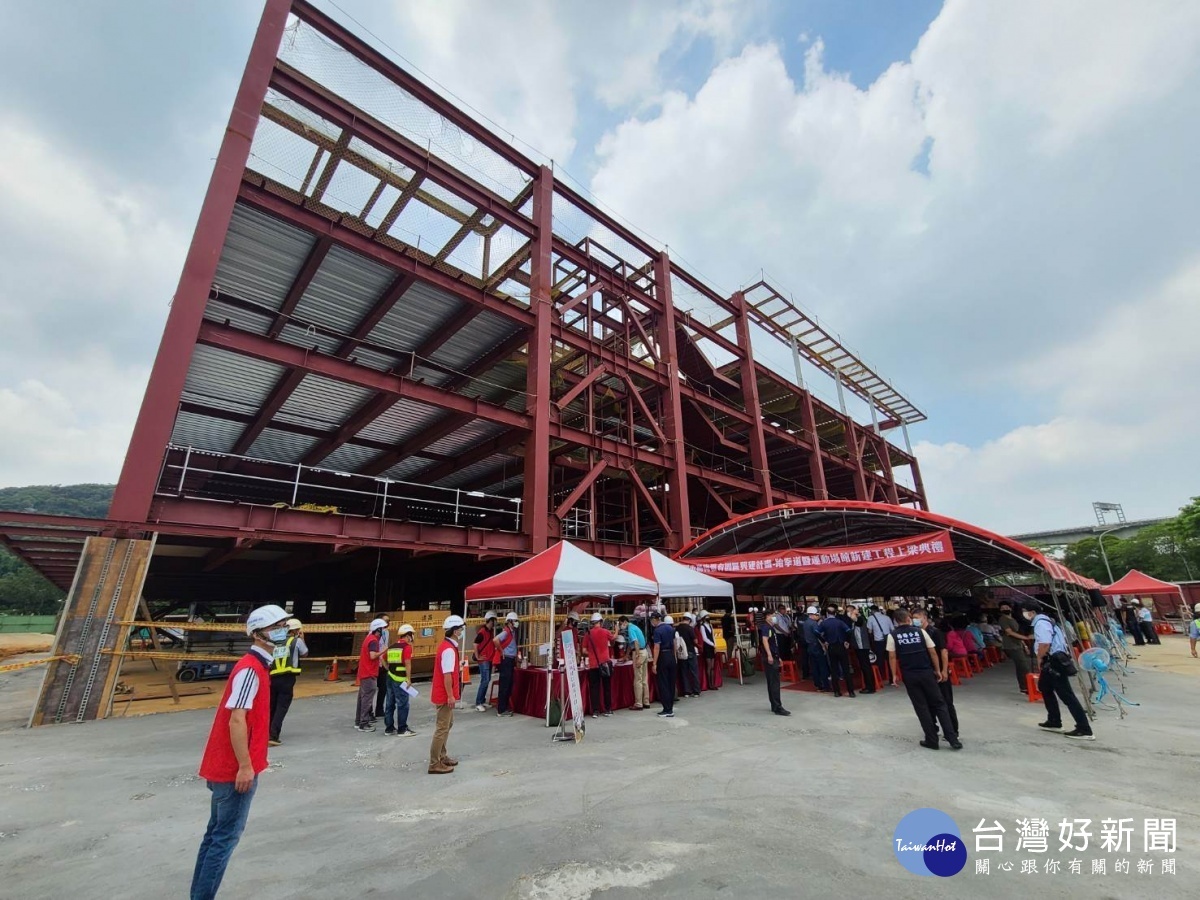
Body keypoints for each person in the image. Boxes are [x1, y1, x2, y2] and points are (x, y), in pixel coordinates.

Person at [191, 604, 290, 900]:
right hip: (233, 771)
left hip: (228, 767)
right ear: (259, 634)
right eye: (277, 626)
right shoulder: (250, 670)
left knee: (214, 836)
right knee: (223, 839)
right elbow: (237, 719)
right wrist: (245, 766)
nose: (284, 630)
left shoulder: (258, 666)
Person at [886, 609, 961, 751]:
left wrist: (894, 675)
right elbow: (933, 652)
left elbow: (892, 657)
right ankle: (952, 739)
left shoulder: (892, 636)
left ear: (895, 621)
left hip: (910, 675)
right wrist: (938, 670)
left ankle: (932, 740)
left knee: (921, 707)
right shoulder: (921, 632)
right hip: (926, 673)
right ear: (908, 618)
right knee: (940, 704)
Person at [1027, 603, 1094, 741]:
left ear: (1032, 612)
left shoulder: (1040, 623)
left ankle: (1084, 729)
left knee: (1066, 695)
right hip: (1055, 659)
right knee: (1044, 687)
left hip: (1053, 661)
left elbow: (1044, 643)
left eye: (1024, 611)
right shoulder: (1049, 621)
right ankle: (1054, 720)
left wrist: (1040, 658)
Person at [914, 608, 957, 741]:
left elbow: (943, 652)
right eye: (913, 617)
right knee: (928, 702)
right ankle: (934, 728)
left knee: (946, 701)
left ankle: (953, 731)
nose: (915, 620)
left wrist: (944, 670)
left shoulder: (935, 632)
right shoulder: (917, 633)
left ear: (925, 617)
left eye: (917, 617)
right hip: (927, 673)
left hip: (939, 671)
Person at [429, 615, 465, 774]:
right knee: (442, 728)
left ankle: (442, 756)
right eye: (461, 629)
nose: (462, 631)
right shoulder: (449, 649)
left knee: (447, 724)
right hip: (444, 694)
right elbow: (447, 675)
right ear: (455, 631)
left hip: (443, 692)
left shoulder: (447, 646)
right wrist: (450, 696)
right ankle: (434, 763)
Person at [268, 617, 307, 747]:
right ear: (296, 630)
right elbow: (305, 653)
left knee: (272, 706)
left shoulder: (275, 642)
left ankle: (265, 733)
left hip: (273, 677)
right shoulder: (296, 641)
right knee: (282, 707)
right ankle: (273, 735)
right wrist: (302, 638)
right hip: (287, 678)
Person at [383, 624, 417, 737]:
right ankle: (402, 729)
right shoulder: (406, 647)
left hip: (390, 677)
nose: (412, 637)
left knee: (389, 703)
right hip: (400, 680)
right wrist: (409, 679)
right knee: (403, 704)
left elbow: (383, 659)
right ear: (408, 635)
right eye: (411, 634)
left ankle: (389, 728)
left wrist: (388, 668)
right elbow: (408, 663)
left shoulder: (392, 646)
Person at [817, 606, 855, 697]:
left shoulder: (824, 623)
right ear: (835, 613)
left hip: (831, 647)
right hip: (841, 646)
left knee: (834, 670)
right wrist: (847, 641)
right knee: (846, 669)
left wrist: (824, 641)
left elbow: (816, 632)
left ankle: (837, 692)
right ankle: (851, 692)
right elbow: (849, 631)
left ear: (827, 613)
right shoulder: (840, 622)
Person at [355, 619, 386, 732]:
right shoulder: (373, 640)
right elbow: (373, 656)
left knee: (362, 698)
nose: (383, 631)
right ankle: (364, 723)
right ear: (378, 629)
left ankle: (359, 721)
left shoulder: (368, 638)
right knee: (367, 698)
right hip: (369, 673)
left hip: (364, 672)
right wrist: (384, 651)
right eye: (382, 628)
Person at [759, 610, 791, 716]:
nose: (774, 617)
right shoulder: (766, 627)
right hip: (770, 658)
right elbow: (765, 640)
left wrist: (778, 657)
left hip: (774, 656)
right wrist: (769, 655)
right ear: (767, 617)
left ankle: (774, 705)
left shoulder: (771, 627)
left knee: (772, 682)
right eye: (772, 615)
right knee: (774, 683)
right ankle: (778, 706)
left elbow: (774, 643)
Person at [997, 603, 1033, 693]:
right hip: (1011, 645)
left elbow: (1017, 632)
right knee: (1024, 667)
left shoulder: (1013, 619)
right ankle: (1026, 687)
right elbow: (1009, 632)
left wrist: (1024, 645)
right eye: (1002, 608)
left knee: (1021, 667)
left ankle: (1024, 687)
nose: (1005, 609)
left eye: (1006, 607)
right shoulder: (1003, 619)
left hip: (1018, 644)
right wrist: (1025, 638)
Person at [583, 613, 614, 718]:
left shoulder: (588, 634)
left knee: (594, 688)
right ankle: (608, 709)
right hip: (605, 663)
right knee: (607, 687)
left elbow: (583, 650)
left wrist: (591, 653)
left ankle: (595, 711)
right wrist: (617, 629)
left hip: (593, 664)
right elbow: (613, 639)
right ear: (601, 622)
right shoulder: (606, 632)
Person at [650, 611, 677, 718]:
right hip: (671, 655)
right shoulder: (670, 629)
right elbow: (675, 643)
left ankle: (667, 709)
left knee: (663, 683)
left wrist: (654, 663)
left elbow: (657, 647)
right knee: (671, 683)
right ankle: (670, 707)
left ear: (655, 619)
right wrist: (674, 656)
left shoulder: (657, 631)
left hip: (663, 656)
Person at [619, 615, 649, 709]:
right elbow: (630, 644)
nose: (620, 626)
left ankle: (638, 703)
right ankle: (646, 701)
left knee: (638, 680)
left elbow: (635, 643)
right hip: (644, 651)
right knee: (644, 679)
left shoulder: (631, 629)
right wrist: (626, 656)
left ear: (624, 622)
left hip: (639, 652)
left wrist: (637, 657)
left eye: (620, 624)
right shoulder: (634, 627)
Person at [472, 611, 499, 712]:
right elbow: (475, 643)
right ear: (491, 620)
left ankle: (482, 701)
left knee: (486, 680)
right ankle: (478, 702)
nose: (495, 622)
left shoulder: (490, 631)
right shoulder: (482, 632)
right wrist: (478, 656)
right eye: (494, 620)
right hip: (484, 660)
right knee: (485, 680)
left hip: (489, 659)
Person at [495, 611, 519, 717]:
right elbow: (495, 640)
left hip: (510, 660)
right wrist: (501, 651)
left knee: (508, 684)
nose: (516, 623)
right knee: (504, 685)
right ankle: (501, 709)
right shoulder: (506, 632)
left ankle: (504, 707)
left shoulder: (512, 632)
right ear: (509, 622)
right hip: (506, 660)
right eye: (515, 621)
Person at [801, 606, 829, 691]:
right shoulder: (814, 623)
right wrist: (824, 644)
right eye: (817, 614)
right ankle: (825, 685)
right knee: (822, 666)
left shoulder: (805, 623)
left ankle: (818, 684)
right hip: (816, 646)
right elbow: (818, 635)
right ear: (813, 614)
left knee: (814, 666)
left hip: (809, 646)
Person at [867, 605, 895, 686]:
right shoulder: (887, 617)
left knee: (879, 660)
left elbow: (869, 631)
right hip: (888, 640)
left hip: (878, 642)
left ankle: (880, 679)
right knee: (890, 659)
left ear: (872, 611)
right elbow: (892, 629)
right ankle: (891, 679)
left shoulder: (871, 618)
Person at [851, 610, 876, 694]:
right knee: (865, 666)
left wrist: (854, 612)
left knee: (865, 667)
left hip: (862, 646)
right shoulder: (859, 620)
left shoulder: (860, 619)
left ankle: (870, 687)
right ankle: (869, 686)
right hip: (860, 646)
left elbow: (853, 617)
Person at [676, 612, 700, 697]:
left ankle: (687, 691)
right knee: (694, 671)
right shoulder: (690, 628)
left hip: (681, 652)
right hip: (690, 651)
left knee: (684, 672)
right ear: (689, 620)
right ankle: (696, 691)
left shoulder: (677, 628)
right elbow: (695, 641)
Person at [372, 614, 390, 721]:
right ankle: (368, 712)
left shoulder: (386, 633)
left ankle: (379, 709)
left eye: (388, 621)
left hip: (382, 664)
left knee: (383, 688)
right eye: (385, 621)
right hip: (375, 664)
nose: (387, 623)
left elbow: (385, 648)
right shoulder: (373, 635)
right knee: (371, 690)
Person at [697, 611, 718, 690]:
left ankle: (713, 683)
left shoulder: (710, 625)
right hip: (707, 647)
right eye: (706, 616)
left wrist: (715, 645)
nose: (708, 617)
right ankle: (710, 684)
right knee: (709, 666)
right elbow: (704, 638)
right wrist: (713, 644)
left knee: (712, 666)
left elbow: (713, 636)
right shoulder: (702, 626)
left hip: (712, 646)